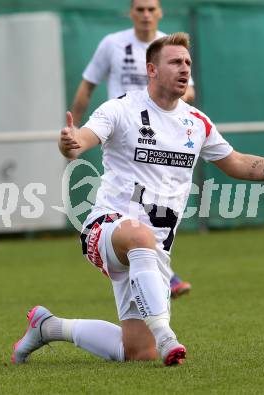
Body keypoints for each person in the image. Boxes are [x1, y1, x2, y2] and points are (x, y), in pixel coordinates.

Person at [11, 33, 264, 367]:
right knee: (138, 236)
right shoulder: (121, 109)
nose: (184, 69)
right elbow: (82, 140)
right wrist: (70, 142)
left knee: (138, 352)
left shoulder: (196, 123)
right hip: (107, 229)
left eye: (188, 63)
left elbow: (237, 163)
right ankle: (167, 336)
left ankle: (48, 327)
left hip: (153, 251)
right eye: (175, 62)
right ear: (151, 69)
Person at [72, 0, 194, 299]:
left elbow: (188, 91)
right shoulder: (112, 44)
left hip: (158, 137)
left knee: (153, 203)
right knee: (129, 201)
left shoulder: (171, 48)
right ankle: (152, 271)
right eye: (139, 8)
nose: (146, 14)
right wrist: (74, 130)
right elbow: (87, 86)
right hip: (121, 135)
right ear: (131, 13)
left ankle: (149, 271)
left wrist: (172, 114)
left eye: (151, 9)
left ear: (160, 12)